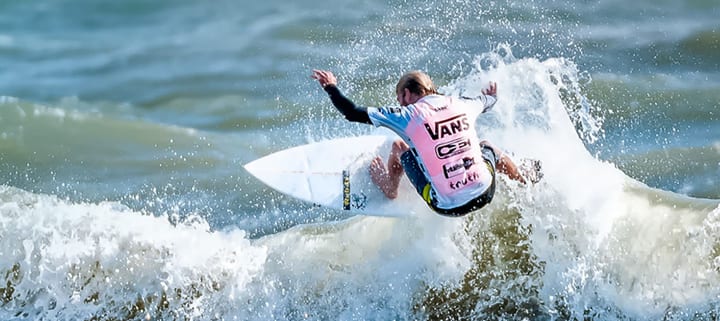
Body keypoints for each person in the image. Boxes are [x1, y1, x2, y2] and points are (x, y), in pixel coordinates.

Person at [311, 69, 538, 217]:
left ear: (408, 94)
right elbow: (489, 101)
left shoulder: (408, 114)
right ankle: (523, 176)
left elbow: (351, 112)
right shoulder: (462, 104)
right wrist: (490, 95)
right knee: (486, 146)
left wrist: (331, 86)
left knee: (400, 148)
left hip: (447, 206)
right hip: (486, 190)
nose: (399, 104)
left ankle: (390, 186)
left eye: (400, 99)